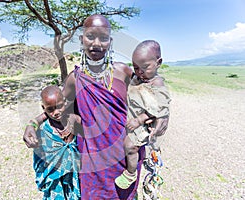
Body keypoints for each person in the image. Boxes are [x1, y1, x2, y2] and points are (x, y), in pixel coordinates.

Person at [23, 15, 169, 199]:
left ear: (110, 41)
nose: (96, 43)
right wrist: (33, 123)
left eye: (103, 37)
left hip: (124, 159)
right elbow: (57, 108)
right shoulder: (74, 80)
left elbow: (152, 94)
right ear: (81, 40)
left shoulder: (123, 72)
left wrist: (164, 115)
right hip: (92, 162)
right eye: (90, 36)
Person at [115, 40, 171, 191]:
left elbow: (158, 108)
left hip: (143, 124)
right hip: (134, 120)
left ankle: (130, 173)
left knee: (130, 145)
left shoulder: (156, 83)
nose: (139, 72)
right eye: (136, 67)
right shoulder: (139, 78)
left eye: (145, 67)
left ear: (158, 62)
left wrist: (139, 120)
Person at [31, 85, 81, 200]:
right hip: (55, 183)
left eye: (59, 106)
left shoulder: (74, 121)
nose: (56, 112)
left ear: (65, 102)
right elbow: (39, 161)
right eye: (50, 109)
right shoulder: (44, 131)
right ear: (43, 108)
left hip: (76, 177)